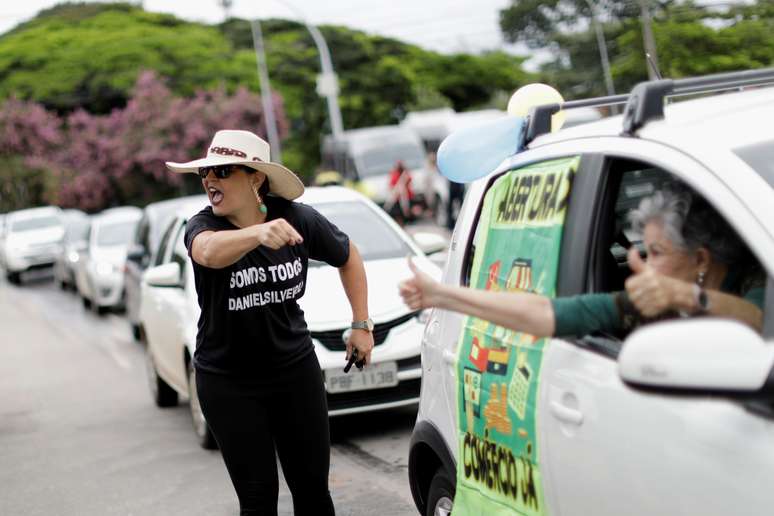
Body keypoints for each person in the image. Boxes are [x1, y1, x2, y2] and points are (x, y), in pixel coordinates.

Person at [165, 129, 374, 516]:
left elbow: (349, 255)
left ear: (256, 177)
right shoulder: (202, 226)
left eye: (223, 171)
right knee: (258, 499)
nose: (210, 179)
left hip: (295, 372)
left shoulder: (297, 219)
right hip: (228, 382)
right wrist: (258, 233)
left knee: (312, 492)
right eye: (205, 173)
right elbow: (208, 253)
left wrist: (361, 323)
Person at [400, 188, 765, 338]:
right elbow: (547, 314)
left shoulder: (756, 281)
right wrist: (443, 296)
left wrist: (688, 297)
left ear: (700, 258)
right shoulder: (651, 299)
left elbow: (762, 322)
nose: (644, 264)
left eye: (656, 253)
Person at [384, 160, 414, 225]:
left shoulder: (405, 174)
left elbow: (409, 181)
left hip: (405, 197)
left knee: (405, 213)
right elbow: (391, 186)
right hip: (397, 198)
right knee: (398, 214)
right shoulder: (395, 174)